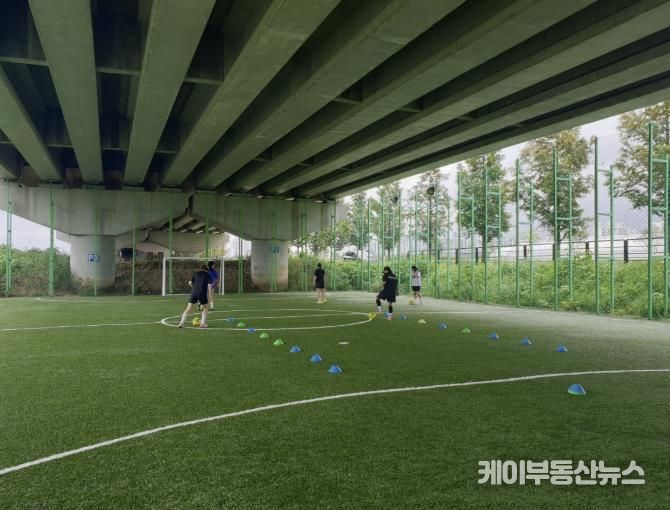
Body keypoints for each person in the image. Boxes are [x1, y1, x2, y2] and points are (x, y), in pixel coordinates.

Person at [178, 264, 212, 328]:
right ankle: (202, 324)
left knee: (188, 308)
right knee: (205, 307)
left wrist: (194, 288)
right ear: (207, 269)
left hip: (194, 292)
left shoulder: (196, 273)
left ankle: (181, 323)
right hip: (202, 293)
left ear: (201, 268)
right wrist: (210, 295)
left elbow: (190, 283)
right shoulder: (207, 274)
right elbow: (209, 285)